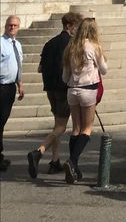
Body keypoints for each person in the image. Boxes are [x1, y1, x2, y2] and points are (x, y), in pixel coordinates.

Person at [27, 11, 82, 177]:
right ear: (69, 26)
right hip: (63, 88)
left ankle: (55, 161)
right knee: (61, 127)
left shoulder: (49, 43)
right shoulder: (72, 44)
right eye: (76, 27)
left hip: (50, 88)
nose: (77, 31)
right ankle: (38, 151)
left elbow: (40, 68)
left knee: (57, 125)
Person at [62, 17, 107, 184]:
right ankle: (73, 161)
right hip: (88, 88)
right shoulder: (94, 47)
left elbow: (65, 76)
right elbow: (104, 69)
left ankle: (75, 167)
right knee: (87, 128)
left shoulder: (71, 47)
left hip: (72, 89)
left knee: (75, 128)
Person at [0, 15, 24, 171]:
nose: (12, 28)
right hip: (1, 86)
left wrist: (20, 84)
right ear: (5, 26)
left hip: (11, 88)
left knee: (2, 122)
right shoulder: (1, 43)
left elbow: (18, 65)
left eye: (15, 25)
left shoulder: (18, 44)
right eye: (10, 25)